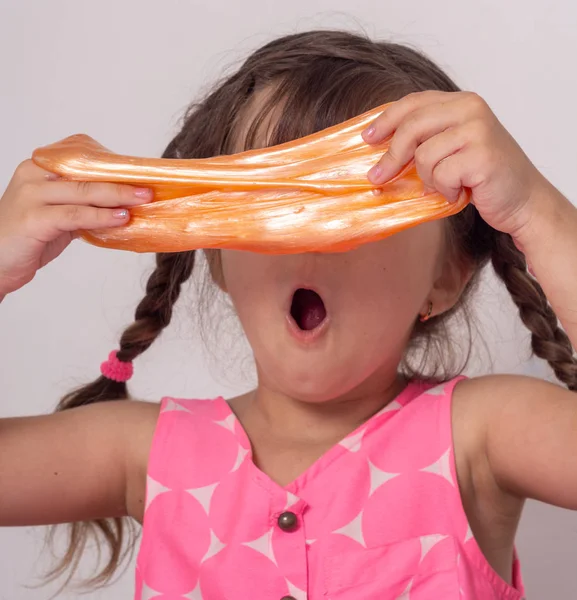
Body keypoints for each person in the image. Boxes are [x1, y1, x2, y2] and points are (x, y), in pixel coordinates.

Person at [0, 29, 575, 600]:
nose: (308, 237)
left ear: (446, 275)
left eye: (357, 201)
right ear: (217, 255)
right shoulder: (145, 452)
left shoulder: (481, 435)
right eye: (268, 202)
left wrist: (535, 210)